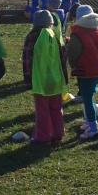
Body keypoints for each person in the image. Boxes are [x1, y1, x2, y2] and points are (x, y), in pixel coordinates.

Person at [22, 10, 69, 145]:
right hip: (56, 79)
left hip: (40, 80)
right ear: (51, 23)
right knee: (56, 108)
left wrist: (28, 79)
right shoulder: (55, 35)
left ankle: (43, 136)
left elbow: (27, 59)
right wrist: (64, 78)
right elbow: (63, 58)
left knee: (42, 110)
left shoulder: (32, 37)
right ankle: (58, 133)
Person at [66, 5, 98, 140]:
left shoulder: (78, 33)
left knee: (87, 99)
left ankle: (93, 129)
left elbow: (74, 52)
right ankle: (89, 123)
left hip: (84, 70)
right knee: (90, 96)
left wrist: (72, 62)